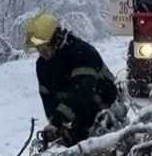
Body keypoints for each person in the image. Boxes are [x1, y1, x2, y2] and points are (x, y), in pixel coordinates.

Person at [24, 13, 118, 148]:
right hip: (77, 114)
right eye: (38, 49)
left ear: (56, 39)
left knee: (100, 151)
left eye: (44, 48)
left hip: (104, 108)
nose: (42, 53)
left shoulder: (82, 53)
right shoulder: (42, 66)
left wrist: (58, 120)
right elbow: (48, 98)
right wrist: (55, 126)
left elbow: (82, 92)